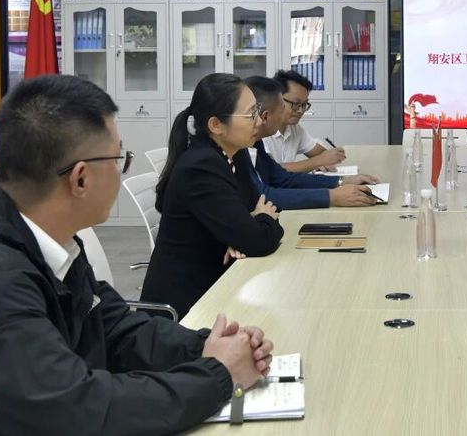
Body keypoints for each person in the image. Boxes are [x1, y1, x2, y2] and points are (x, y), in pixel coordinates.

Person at [0, 75, 274, 435]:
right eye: (119, 159)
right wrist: (217, 374)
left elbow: (112, 327)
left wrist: (204, 346)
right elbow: (80, 412)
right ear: (80, 178)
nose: (121, 170)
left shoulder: (35, 235)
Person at [141, 73, 284, 319]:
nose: (259, 121)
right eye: (250, 114)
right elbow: (258, 239)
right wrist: (252, 225)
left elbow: (252, 210)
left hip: (218, 283)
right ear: (216, 125)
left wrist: (240, 232)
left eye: (258, 111)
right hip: (185, 308)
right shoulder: (201, 166)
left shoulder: (235, 152)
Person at [243, 76, 380, 208]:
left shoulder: (256, 142)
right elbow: (263, 195)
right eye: (282, 109)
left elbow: (282, 178)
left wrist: (341, 181)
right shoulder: (241, 147)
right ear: (265, 116)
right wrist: (332, 196)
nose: (299, 111)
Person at [264, 69, 345, 173]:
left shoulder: (294, 128)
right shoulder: (261, 130)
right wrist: (317, 162)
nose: (300, 110)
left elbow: (321, 154)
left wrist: (325, 159)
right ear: (277, 99)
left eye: (304, 104)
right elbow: (271, 171)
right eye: (296, 103)